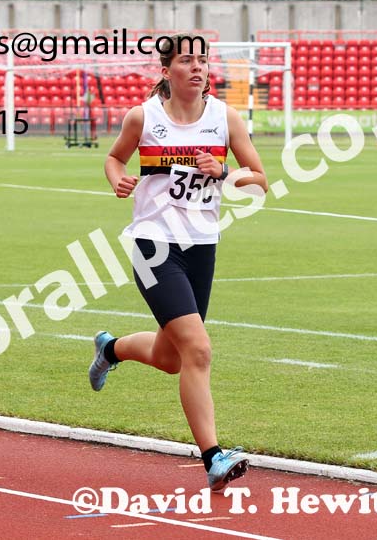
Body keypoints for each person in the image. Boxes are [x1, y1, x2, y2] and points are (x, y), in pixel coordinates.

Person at [90, 34, 268, 492]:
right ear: (166, 70)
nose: (197, 68)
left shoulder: (225, 119)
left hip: (202, 245)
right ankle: (213, 457)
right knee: (199, 350)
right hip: (155, 246)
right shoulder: (143, 117)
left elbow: (260, 181)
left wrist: (225, 172)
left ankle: (110, 349)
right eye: (186, 61)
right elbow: (113, 157)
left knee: (173, 358)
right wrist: (118, 179)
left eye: (202, 60)